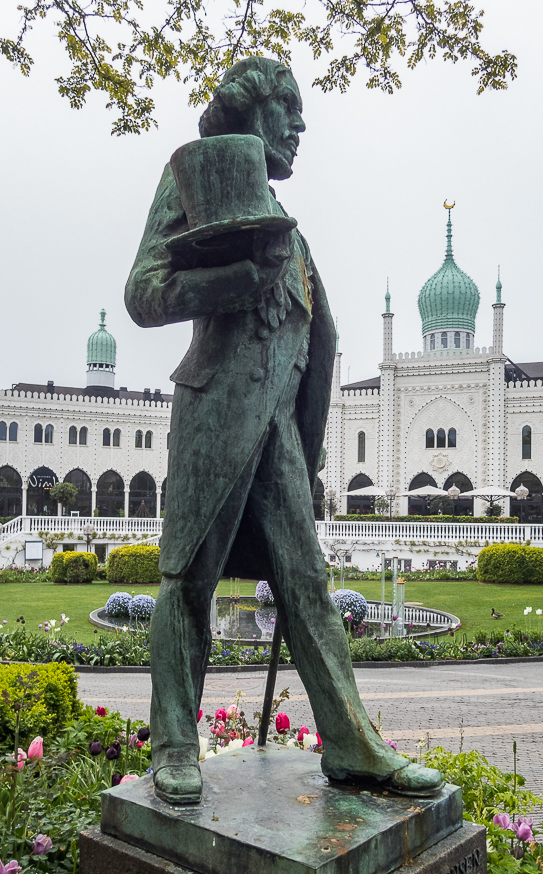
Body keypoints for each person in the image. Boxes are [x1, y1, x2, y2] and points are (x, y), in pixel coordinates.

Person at [125, 57, 443, 804]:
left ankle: (352, 743)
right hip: (214, 413)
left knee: (309, 585)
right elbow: (143, 293)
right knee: (189, 579)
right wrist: (234, 281)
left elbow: (313, 332)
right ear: (252, 111)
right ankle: (175, 740)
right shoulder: (194, 180)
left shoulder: (283, 222)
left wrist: (309, 424)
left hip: (280, 433)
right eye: (288, 111)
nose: (301, 128)